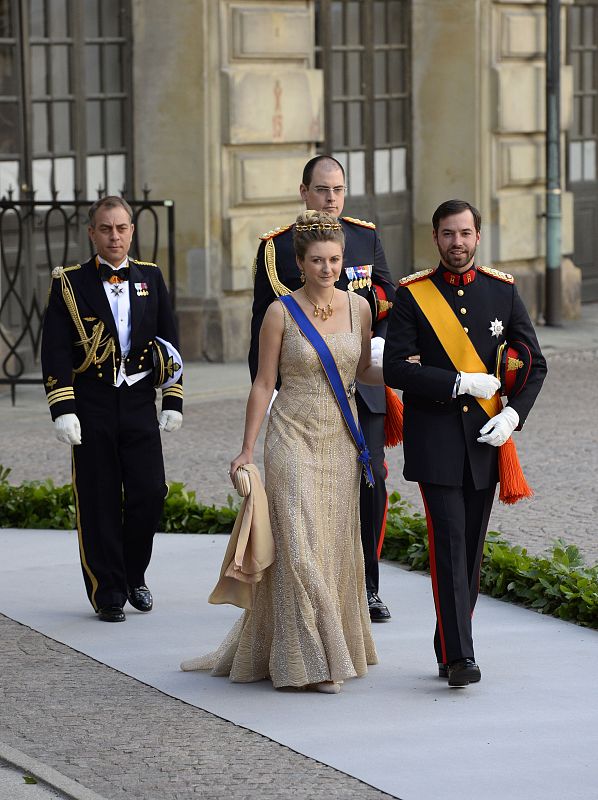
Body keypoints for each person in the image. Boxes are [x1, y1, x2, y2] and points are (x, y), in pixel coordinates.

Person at [181, 210, 381, 693]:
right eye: (317, 260)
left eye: (335, 259)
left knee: (332, 547)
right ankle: (314, 661)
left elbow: (366, 373)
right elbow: (263, 383)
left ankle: (319, 646)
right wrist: (246, 449)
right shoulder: (280, 313)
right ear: (300, 262)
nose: (328, 268)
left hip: (340, 441)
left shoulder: (360, 309)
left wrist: (419, 375)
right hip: (290, 438)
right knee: (297, 545)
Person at [383, 199, 547, 687]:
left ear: (478, 237)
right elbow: (396, 369)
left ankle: (447, 639)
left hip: (484, 439)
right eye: (448, 234)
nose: (457, 242)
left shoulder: (502, 293)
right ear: (435, 237)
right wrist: (457, 383)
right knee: (450, 544)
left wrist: (514, 415)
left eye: (466, 233)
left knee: (471, 550)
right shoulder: (413, 295)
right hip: (434, 440)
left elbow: (534, 363)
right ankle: (461, 657)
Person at [249, 155, 396, 622]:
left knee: (369, 493)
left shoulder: (366, 237)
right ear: (304, 192)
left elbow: (388, 300)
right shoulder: (276, 248)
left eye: (338, 190)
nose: (331, 199)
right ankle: (309, 598)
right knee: (303, 504)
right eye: (321, 190)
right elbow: (264, 322)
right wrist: (268, 393)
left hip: (360, 389)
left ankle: (366, 588)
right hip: (301, 390)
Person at [41, 196, 183, 623]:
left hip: (139, 401)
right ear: (92, 233)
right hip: (93, 404)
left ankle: (133, 573)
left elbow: (170, 340)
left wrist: (174, 399)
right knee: (98, 498)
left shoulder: (150, 278)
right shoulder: (70, 282)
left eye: (121, 228)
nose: (114, 236)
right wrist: (63, 407)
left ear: (132, 231)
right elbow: (55, 349)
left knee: (150, 492)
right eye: (106, 229)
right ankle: (107, 590)